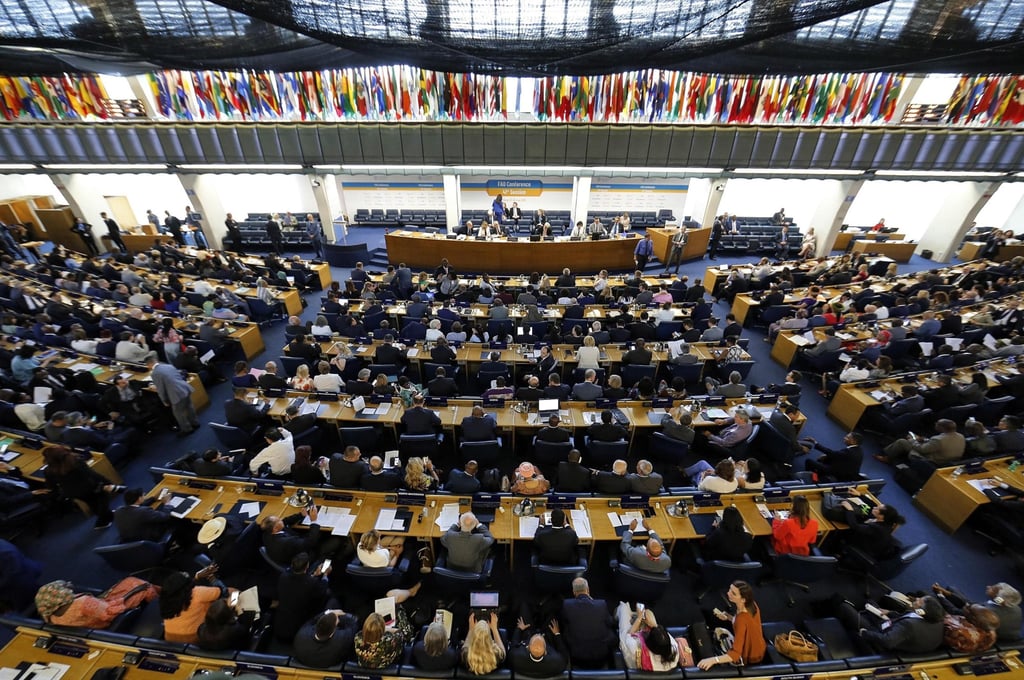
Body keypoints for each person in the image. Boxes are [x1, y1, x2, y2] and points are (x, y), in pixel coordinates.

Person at [42, 445, 123, 529]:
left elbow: (51, 486)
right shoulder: (75, 461)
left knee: (91, 503)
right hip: (89, 487)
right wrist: (108, 483)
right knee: (102, 497)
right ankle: (102, 521)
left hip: (73, 493)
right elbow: (92, 475)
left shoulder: (48, 471)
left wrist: (60, 492)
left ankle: (107, 515)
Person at [35, 576, 158, 628]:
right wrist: (122, 598)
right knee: (141, 585)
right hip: (108, 618)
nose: (68, 589)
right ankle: (158, 602)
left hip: (91, 623)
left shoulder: (51, 616)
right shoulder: (84, 603)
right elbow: (112, 612)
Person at [697, 581, 766, 669]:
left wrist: (712, 660)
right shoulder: (752, 604)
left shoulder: (741, 620)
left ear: (743, 599)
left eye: (733, 593)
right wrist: (729, 617)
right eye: (730, 589)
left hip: (751, 656)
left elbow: (735, 655)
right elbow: (746, 623)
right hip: (759, 646)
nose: (728, 593)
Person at [844, 595, 945, 654]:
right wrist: (889, 612)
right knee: (869, 602)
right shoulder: (936, 620)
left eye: (919, 601)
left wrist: (865, 633)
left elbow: (887, 641)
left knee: (843, 606)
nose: (917, 599)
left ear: (921, 611)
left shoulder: (910, 625)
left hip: (882, 639)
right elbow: (907, 616)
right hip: (891, 627)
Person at [273, 552, 334, 642]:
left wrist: (314, 576)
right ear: (307, 566)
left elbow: (300, 584)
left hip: (278, 627)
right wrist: (325, 575)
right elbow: (322, 589)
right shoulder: (311, 583)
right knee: (330, 595)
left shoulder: (283, 576)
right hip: (298, 630)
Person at [931, 582, 1022, 642]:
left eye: (992, 589)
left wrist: (940, 595)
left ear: (999, 599)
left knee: (930, 598)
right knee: (952, 589)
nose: (988, 586)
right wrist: (947, 593)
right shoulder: (1017, 608)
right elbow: (970, 604)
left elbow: (954, 611)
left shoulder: (986, 614)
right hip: (1012, 638)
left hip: (997, 640)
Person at [161, 566, 230, 643]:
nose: (185, 573)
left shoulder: (166, 598)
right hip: (195, 639)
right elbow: (223, 591)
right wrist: (212, 577)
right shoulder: (198, 592)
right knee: (231, 592)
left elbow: (183, 589)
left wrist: (197, 576)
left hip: (170, 640)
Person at [616, 603, 679, 670]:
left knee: (623, 607)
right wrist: (653, 625)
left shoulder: (634, 648)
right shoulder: (674, 651)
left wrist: (639, 618)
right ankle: (634, 616)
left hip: (633, 660)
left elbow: (629, 634)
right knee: (648, 620)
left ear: (648, 642)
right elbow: (657, 633)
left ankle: (621, 612)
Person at [147, 353, 198, 436]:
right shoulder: (168, 365)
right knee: (189, 406)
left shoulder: (155, 373)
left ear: (149, 365)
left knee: (178, 413)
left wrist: (164, 400)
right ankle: (195, 423)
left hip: (175, 394)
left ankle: (187, 429)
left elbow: (161, 389)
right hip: (184, 387)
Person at [294, 610, 360, 669]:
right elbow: (354, 625)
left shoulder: (301, 635)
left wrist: (328, 612)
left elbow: (312, 620)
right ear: (332, 633)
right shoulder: (341, 640)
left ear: (316, 626)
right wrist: (342, 615)